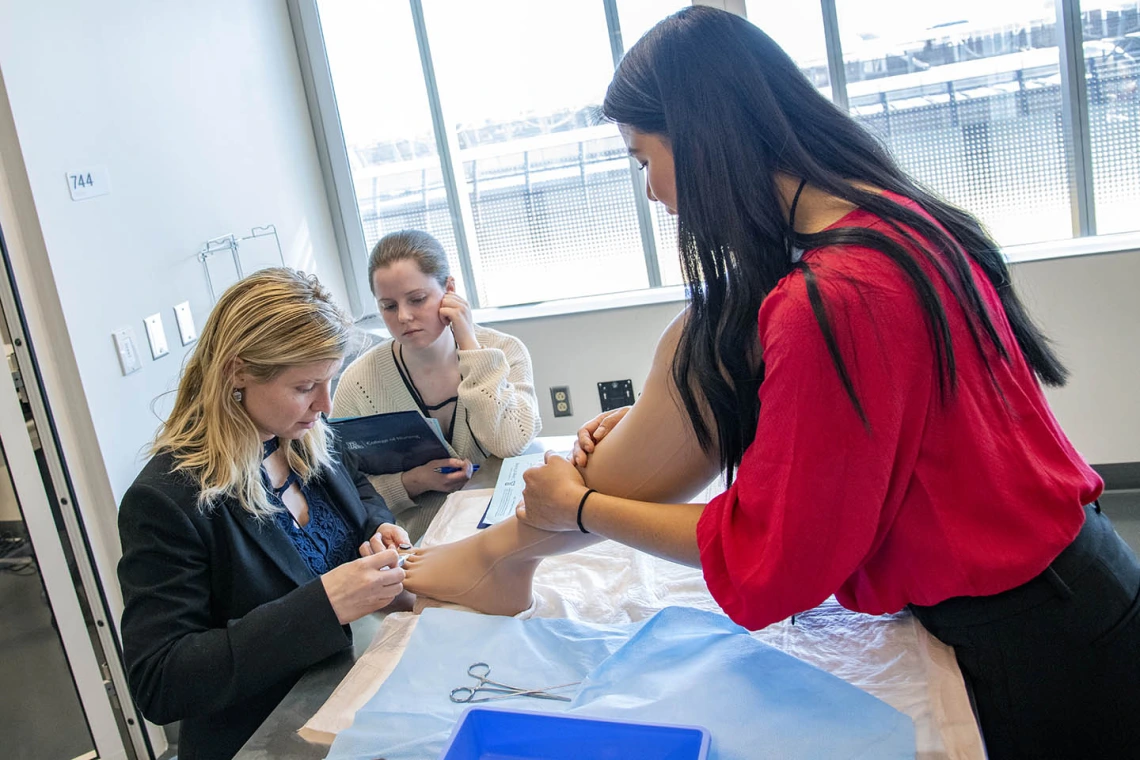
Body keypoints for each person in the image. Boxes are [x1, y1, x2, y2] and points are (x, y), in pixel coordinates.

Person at [408, 7, 1140, 758]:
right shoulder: (893, 223)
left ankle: (509, 551)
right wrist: (632, 442)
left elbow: (773, 559)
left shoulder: (836, 297)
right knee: (701, 335)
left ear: (700, 139)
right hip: (1076, 584)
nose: (655, 193)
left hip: (1041, 638)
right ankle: (509, 551)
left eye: (644, 159)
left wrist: (583, 508)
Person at [118, 268, 411, 760]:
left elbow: (357, 491)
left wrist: (377, 527)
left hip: (345, 697)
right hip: (262, 737)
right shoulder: (166, 500)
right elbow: (161, 679)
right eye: (305, 385)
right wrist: (325, 604)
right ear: (238, 372)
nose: (325, 402)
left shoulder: (300, 431)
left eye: (330, 379)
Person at [332, 230, 541, 542]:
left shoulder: (505, 350)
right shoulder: (359, 382)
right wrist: (412, 482)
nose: (404, 316)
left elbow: (510, 442)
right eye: (388, 306)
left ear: (450, 289)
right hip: (422, 546)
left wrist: (470, 346)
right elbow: (345, 493)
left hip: (508, 532)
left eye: (417, 299)